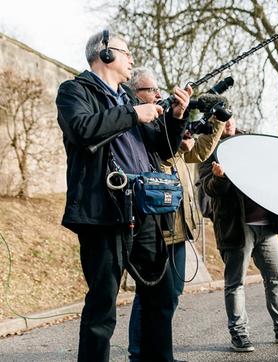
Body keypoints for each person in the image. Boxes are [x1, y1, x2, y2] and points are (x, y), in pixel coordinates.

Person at [55, 30, 192, 362]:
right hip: (104, 213)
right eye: (126, 51)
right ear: (104, 54)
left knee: (160, 297)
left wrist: (176, 117)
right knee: (103, 305)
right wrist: (134, 115)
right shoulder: (74, 91)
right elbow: (83, 130)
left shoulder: (128, 100)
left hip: (144, 211)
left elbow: (165, 148)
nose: (131, 57)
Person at [198, 118, 278, 352]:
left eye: (228, 118)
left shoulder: (253, 141)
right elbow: (208, 188)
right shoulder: (209, 147)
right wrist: (219, 178)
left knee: (276, 277)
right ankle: (239, 334)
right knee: (235, 283)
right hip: (236, 226)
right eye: (219, 121)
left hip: (265, 223)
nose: (226, 123)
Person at [125, 67, 225, 362]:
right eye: (151, 90)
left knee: (171, 294)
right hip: (157, 228)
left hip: (181, 229)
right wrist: (177, 128)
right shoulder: (145, 128)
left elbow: (200, 152)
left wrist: (217, 121)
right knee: (151, 296)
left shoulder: (168, 127)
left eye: (158, 90)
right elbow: (164, 152)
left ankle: (158, 350)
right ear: (135, 94)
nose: (158, 95)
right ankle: (138, 353)